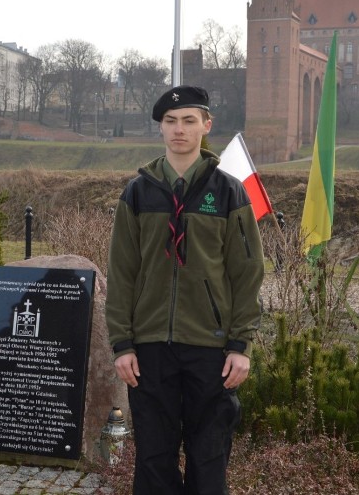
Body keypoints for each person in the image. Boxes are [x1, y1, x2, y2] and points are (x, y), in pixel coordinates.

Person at [105, 85, 264, 495]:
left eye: (189, 121)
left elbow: (247, 273)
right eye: (171, 122)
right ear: (160, 128)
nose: (179, 130)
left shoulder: (229, 192)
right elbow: (122, 272)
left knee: (208, 456)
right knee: (154, 459)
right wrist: (122, 344)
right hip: (149, 346)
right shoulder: (137, 193)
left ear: (206, 126)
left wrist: (240, 345)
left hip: (210, 348)